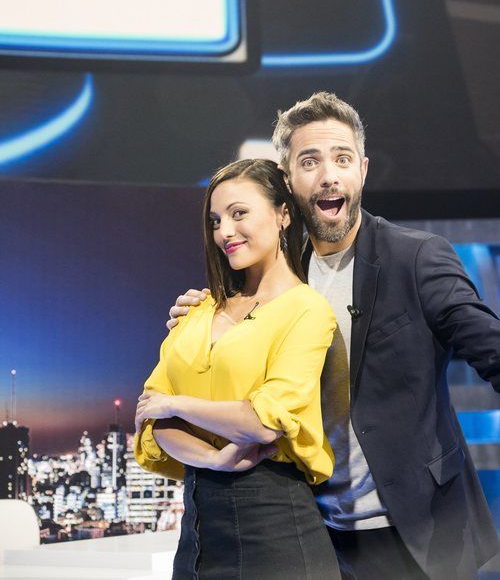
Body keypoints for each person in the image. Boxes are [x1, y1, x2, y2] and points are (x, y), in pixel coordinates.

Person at [169, 92, 500, 580]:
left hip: (420, 534)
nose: (328, 175)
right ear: (287, 180)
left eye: (342, 159)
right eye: (310, 161)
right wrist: (203, 324)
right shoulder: (274, 278)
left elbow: (492, 351)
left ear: (361, 171)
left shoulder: (417, 257)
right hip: (314, 535)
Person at [135, 158, 341, 580]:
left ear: (283, 214)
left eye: (238, 213)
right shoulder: (199, 309)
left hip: (274, 531)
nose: (224, 232)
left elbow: (262, 423)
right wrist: (214, 459)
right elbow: (152, 418)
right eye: (215, 221)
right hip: (196, 536)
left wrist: (176, 403)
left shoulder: (307, 309)